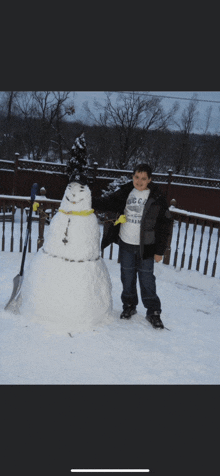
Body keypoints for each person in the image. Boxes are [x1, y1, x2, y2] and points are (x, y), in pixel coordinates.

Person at [92, 163, 173, 329]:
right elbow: (107, 202)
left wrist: (160, 251)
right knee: (127, 277)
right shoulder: (126, 192)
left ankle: (153, 312)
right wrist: (87, 201)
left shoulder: (157, 197)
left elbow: (165, 225)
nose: (139, 181)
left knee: (147, 279)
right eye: (137, 177)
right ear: (132, 177)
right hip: (126, 243)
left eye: (144, 178)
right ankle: (129, 306)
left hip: (148, 246)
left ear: (149, 179)